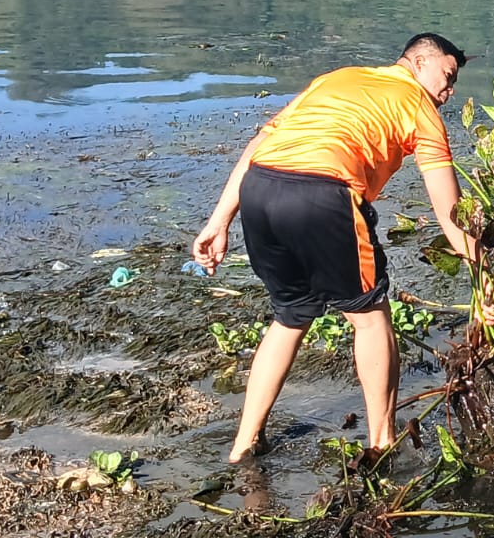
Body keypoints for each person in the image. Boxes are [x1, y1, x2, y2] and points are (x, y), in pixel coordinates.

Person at [191, 32, 476, 464]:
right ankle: (382, 443)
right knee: (370, 319)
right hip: (324, 192)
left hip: (261, 188)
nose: (448, 90)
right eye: (447, 74)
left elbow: (258, 146)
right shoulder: (418, 106)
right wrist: (484, 277)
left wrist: (219, 220)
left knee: (289, 317)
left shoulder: (335, 78)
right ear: (418, 63)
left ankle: (243, 445)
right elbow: (450, 210)